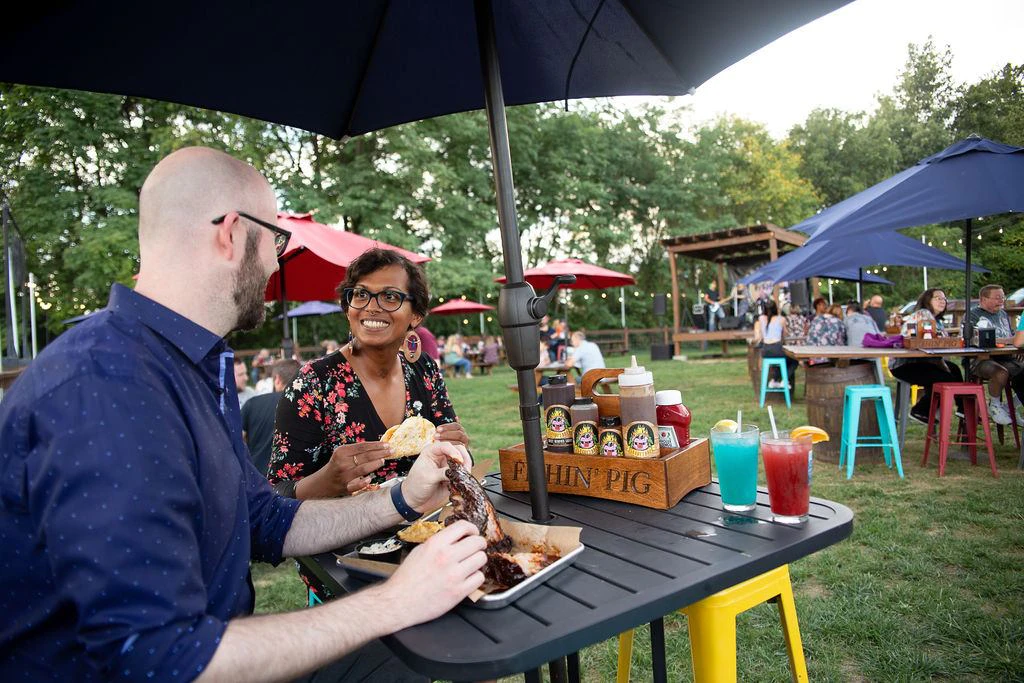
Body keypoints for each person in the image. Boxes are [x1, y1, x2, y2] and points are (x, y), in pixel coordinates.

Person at [0, 147, 486, 682]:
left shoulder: (191, 367)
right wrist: (394, 602)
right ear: (232, 234)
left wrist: (404, 497)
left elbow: (266, 519)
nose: (276, 264)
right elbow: (157, 658)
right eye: (275, 240)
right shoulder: (106, 384)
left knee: (402, 665)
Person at [269, 248, 471, 602]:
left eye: (390, 297)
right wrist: (328, 480)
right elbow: (275, 498)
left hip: (424, 551)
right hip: (346, 567)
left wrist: (455, 448)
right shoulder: (313, 383)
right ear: (348, 307)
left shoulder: (424, 371)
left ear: (415, 315)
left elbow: (449, 458)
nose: (371, 307)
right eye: (360, 294)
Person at [889, 288, 964, 424]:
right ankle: (920, 410)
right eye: (938, 298)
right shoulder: (923, 314)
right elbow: (930, 345)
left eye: (944, 299)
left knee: (954, 369)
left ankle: (963, 408)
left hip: (921, 361)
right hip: (904, 364)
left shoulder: (936, 320)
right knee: (946, 377)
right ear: (927, 300)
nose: (943, 301)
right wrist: (943, 365)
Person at [962, 284, 1023, 424]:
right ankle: (994, 405)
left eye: (1003, 297)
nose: (1001, 300)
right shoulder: (972, 315)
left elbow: (1011, 337)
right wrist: (1009, 340)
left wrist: (1015, 346)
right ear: (983, 299)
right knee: (1001, 373)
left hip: (1005, 357)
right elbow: (975, 339)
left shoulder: (1003, 314)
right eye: (997, 297)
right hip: (979, 360)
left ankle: (1010, 407)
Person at [242, 359, 301, 476]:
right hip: (296, 479)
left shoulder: (253, 404)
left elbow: (237, 439)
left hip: (258, 477)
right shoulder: (307, 407)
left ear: (277, 379)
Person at [753, 300, 797, 390]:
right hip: (777, 348)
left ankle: (774, 380)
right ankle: (784, 380)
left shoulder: (761, 318)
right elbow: (785, 334)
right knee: (793, 361)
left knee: (780, 361)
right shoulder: (781, 319)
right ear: (776, 309)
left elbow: (759, 335)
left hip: (765, 350)